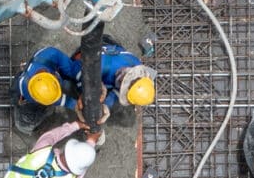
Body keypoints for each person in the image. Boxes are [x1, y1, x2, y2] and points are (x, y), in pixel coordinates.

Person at [12, 39, 155, 131]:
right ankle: (26, 120)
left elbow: (117, 93)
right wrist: (78, 102)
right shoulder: (29, 91)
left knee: (73, 76)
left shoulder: (136, 64)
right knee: (27, 119)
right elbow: (62, 98)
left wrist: (105, 103)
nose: (122, 79)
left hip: (101, 50)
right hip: (91, 62)